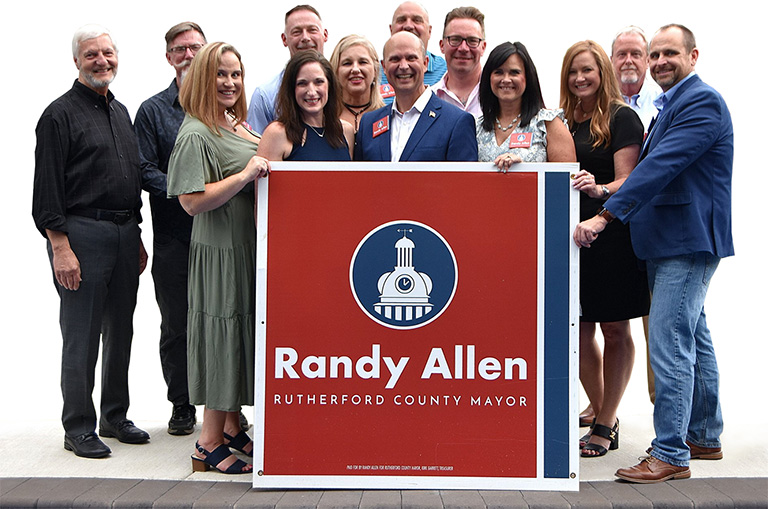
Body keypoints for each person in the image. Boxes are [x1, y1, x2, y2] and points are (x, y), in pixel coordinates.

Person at [574, 24, 733, 482]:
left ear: (693, 57)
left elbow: (660, 166)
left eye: (670, 54)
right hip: (666, 240)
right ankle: (703, 436)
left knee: (669, 343)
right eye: (657, 54)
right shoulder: (670, 105)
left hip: (686, 240)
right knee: (694, 337)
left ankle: (670, 454)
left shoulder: (701, 102)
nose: (661, 61)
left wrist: (605, 214)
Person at [32, 24, 149, 458]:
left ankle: (114, 416)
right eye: (91, 55)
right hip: (81, 234)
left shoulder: (120, 111)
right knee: (81, 335)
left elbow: (130, 178)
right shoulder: (58, 115)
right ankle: (78, 426)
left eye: (107, 53)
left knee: (121, 330)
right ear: (76, 61)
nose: (102, 61)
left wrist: (136, 235)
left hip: (125, 233)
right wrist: (60, 247)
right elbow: (47, 189)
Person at [167, 42, 270, 474]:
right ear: (202, 79)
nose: (229, 83)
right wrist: (245, 174)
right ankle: (207, 443)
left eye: (235, 74)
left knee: (240, 327)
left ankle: (230, 427)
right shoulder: (195, 132)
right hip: (221, 250)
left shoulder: (230, 122)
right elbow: (191, 201)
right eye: (220, 75)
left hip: (243, 244)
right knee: (223, 333)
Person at [561, 40, 649, 457]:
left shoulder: (621, 116)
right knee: (578, 330)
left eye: (588, 70)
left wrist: (598, 189)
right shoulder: (563, 119)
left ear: (603, 73)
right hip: (570, 237)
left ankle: (605, 420)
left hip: (611, 234)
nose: (580, 78)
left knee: (614, 329)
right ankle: (601, 411)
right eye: (573, 71)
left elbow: (629, 179)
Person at [134, 21, 206, 436]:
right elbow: (142, 168)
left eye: (195, 47)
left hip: (219, 235)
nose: (188, 55)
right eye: (180, 49)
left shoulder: (224, 104)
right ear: (168, 57)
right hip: (173, 238)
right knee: (176, 324)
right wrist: (187, 191)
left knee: (221, 320)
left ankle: (225, 406)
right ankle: (182, 403)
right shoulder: (152, 111)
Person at [355, 31, 477, 162]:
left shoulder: (456, 122)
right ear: (384, 67)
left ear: (425, 63)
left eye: (411, 58)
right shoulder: (368, 123)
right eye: (395, 59)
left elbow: (464, 175)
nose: (403, 66)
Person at [476, 41, 574, 169]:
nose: (506, 79)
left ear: (528, 77)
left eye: (514, 72)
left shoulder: (548, 123)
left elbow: (565, 177)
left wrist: (523, 170)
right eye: (498, 72)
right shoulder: (477, 128)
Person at [258, 51, 354, 161]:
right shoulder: (277, 133)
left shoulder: (345, 131)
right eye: (302, 83)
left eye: (319, 82)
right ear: (291, 89)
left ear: (330, 85)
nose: (312, 92)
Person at [247, 5, 327, 134]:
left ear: (325, 35)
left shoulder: (342, 86)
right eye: (297, 32)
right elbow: (256, 143)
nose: (305, 38)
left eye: (312, 30)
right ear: (284, 39)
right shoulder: (265, 96)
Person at [379, 1, 447, 105]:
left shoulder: (446, 72)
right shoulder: (375, 75)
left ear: (429, 31)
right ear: (391, 29)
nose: (408, 26)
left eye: (417, 20)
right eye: (401, 20)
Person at [430, 6, 486, 117]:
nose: (463, 48)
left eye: (472, 41)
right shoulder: (429, 100)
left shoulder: (499, 96)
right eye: (455, 39)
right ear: (442, 45)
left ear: (483, 47)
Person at [329, 35, 385, 134]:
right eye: (347, 63)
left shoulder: (388, 116)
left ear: (375, 70)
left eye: (363, 62)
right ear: (336, 71)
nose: (355, 69)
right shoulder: (325, 117)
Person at [611, 26, 662, 131]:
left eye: (635, 54)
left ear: (647, 60)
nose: (628, 61)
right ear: (612, 61)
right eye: (622, 54)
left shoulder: (661, 102)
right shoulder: (600, 103)